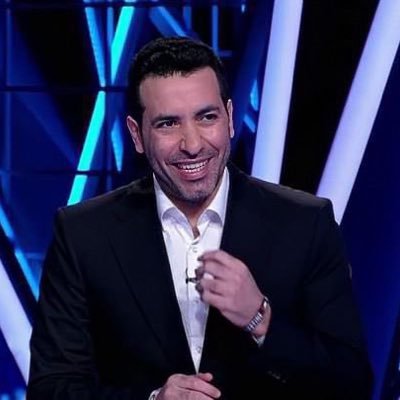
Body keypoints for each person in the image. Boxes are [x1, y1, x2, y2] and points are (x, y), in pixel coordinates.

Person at [27, 36, 372, 400]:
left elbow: (352, 384)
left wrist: (260, 319)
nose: (192, 144)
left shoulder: (305, 224)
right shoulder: (83, 234)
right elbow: (51, 389)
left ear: (230, 118)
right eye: (168, 124)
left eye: (207, 117)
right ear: (137, 135)